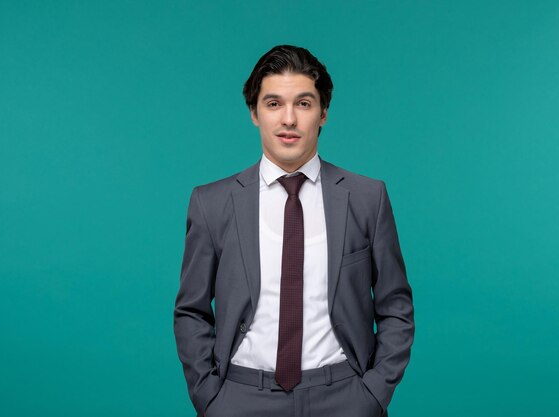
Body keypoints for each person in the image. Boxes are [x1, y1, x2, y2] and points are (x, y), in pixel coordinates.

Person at [174, 45, 414, 417]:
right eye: (273, 104)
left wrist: (372, 394)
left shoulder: (368, 198)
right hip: (241, 397)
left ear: (323, 114)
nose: (289, 119)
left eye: (303, 103)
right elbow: (191, 310)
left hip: (343, 397)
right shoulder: (212, 203)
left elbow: (396, 305)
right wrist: (210, 397)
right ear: (254, 113)